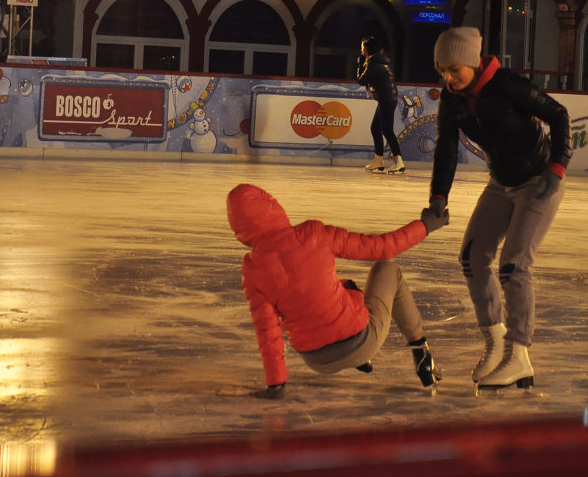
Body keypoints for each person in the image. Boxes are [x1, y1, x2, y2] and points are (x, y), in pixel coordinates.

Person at [427, 27, 570, 391]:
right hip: (500, 183)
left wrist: (557, 166)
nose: (448, 77)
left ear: (473, 61)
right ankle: (495, 342)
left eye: (453, 68)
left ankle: (519, 355)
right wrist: (438, 199)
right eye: (442, 69)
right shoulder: (453, 99)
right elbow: (445, 148)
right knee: (472, 258)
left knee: (514, 264)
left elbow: (558, 114)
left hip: (538, 180)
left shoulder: (508, 85)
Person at [226, 183, 450, 399]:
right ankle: (420, 349)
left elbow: (267, 330)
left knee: (342, 287)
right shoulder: (312, 234)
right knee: (388, 269)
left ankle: (359, 359)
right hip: (362, 341)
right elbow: (381, 248)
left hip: (316, 361)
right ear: (273, 206)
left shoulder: (253, 269)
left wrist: (276, 383)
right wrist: (424, 226)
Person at [356, 36, 405, 174]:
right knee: (375, 128)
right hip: (387, 99)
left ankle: (399, 162)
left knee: (387, 130)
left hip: (386, 100)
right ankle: (378, 160)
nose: (361, 50)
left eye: (362, 47)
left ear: (367, 49)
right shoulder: (380, 61)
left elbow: (361, 80)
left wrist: (360, 64)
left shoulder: (373, 64)